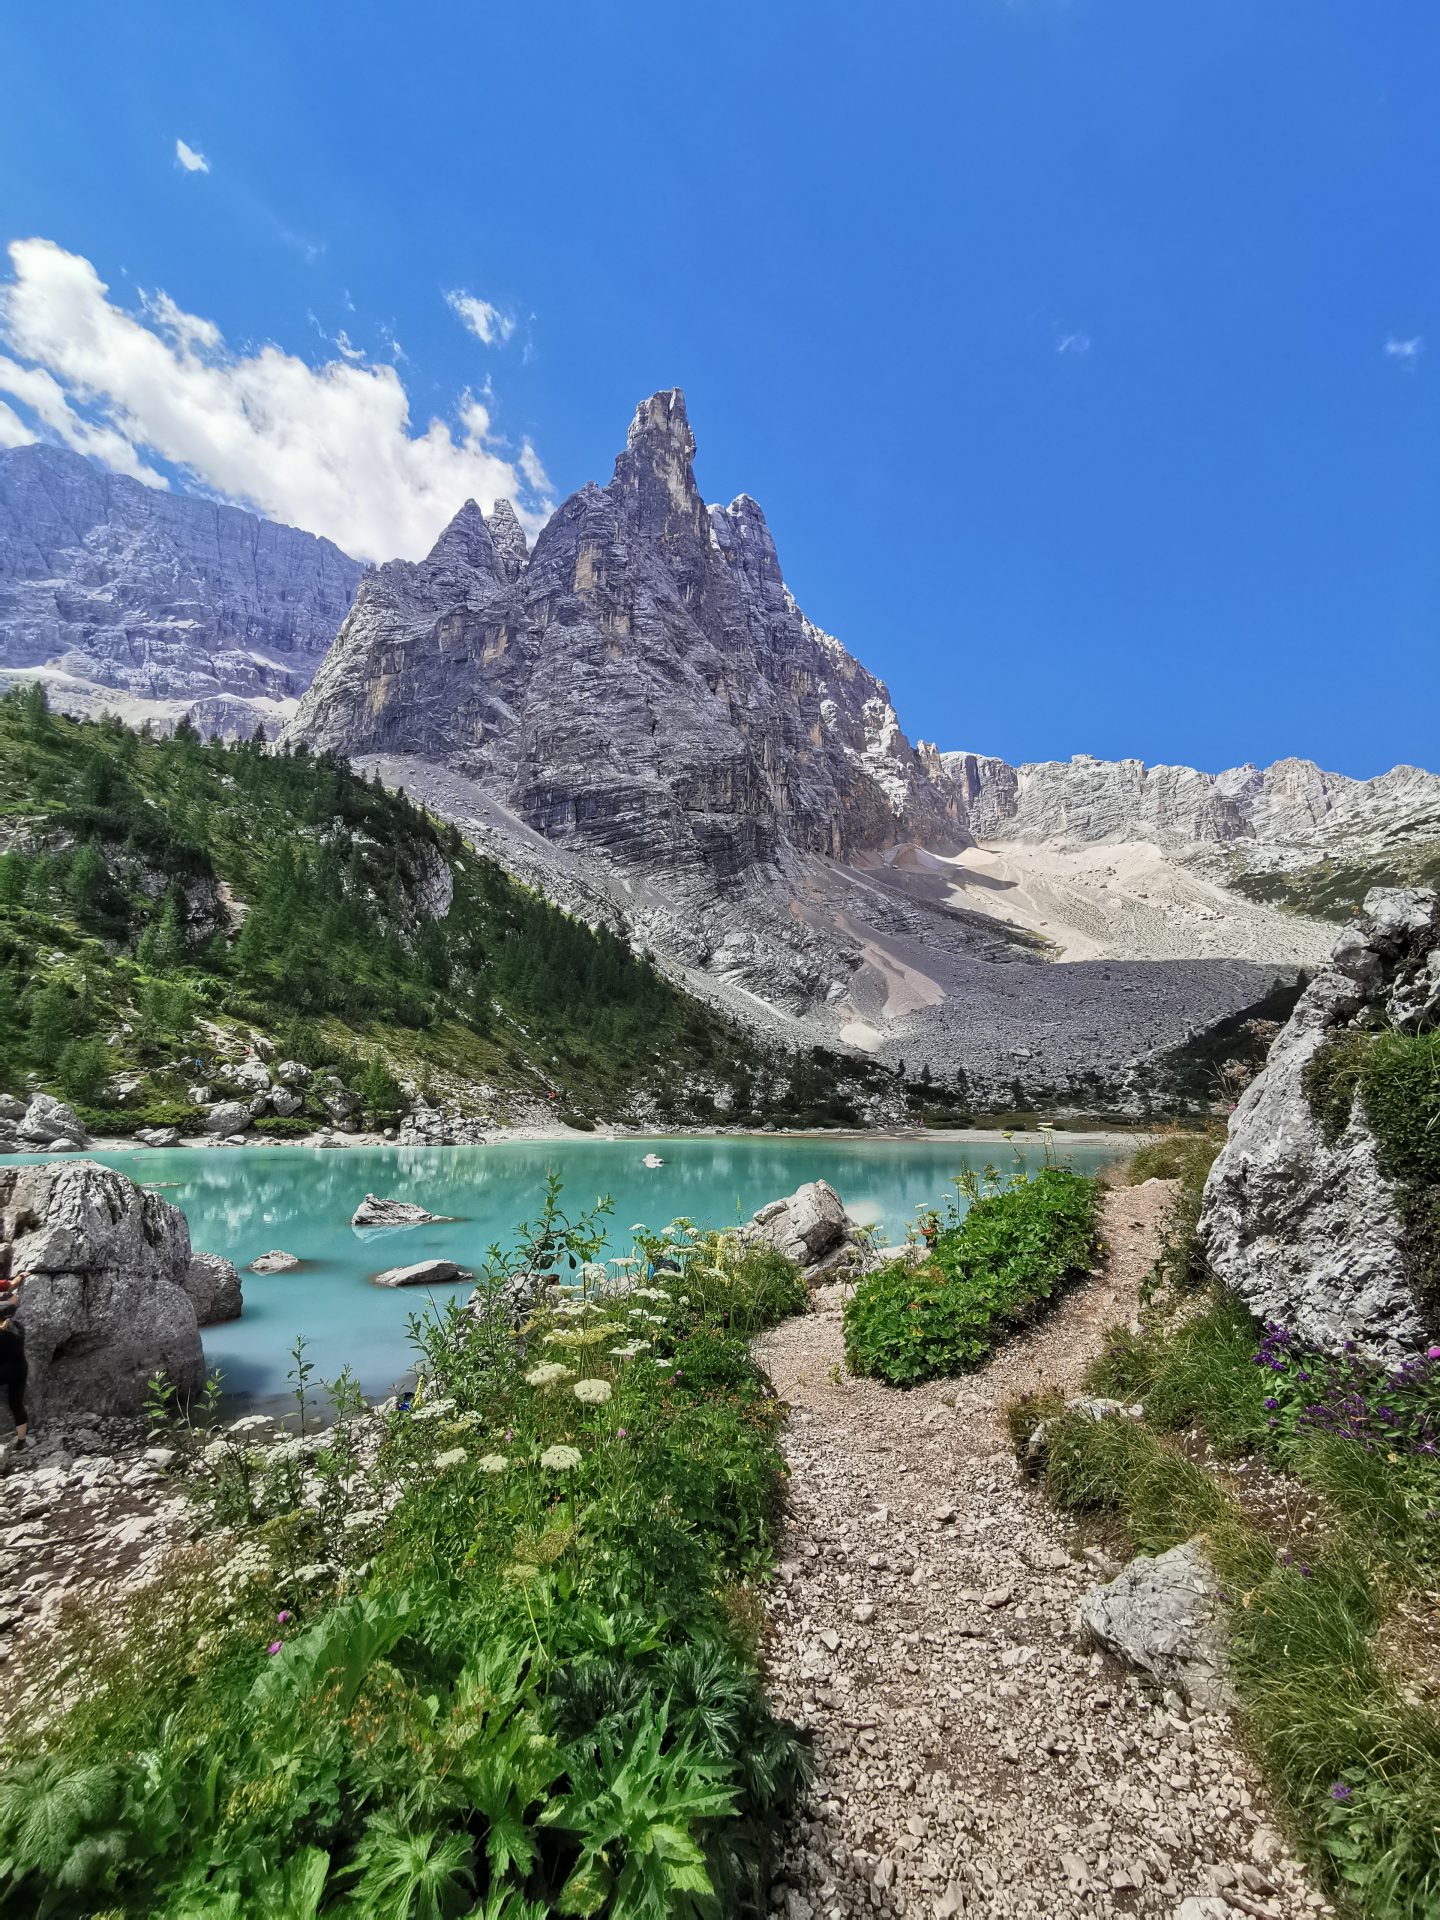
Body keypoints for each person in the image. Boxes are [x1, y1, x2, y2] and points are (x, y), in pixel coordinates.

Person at [0, 1272, 27, 1453]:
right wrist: (20, 1278)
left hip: (1, 1372)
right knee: (16, 1403)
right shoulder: (18, 1329)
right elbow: (10, 1289)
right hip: (20, 1369)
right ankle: (21, 1441)